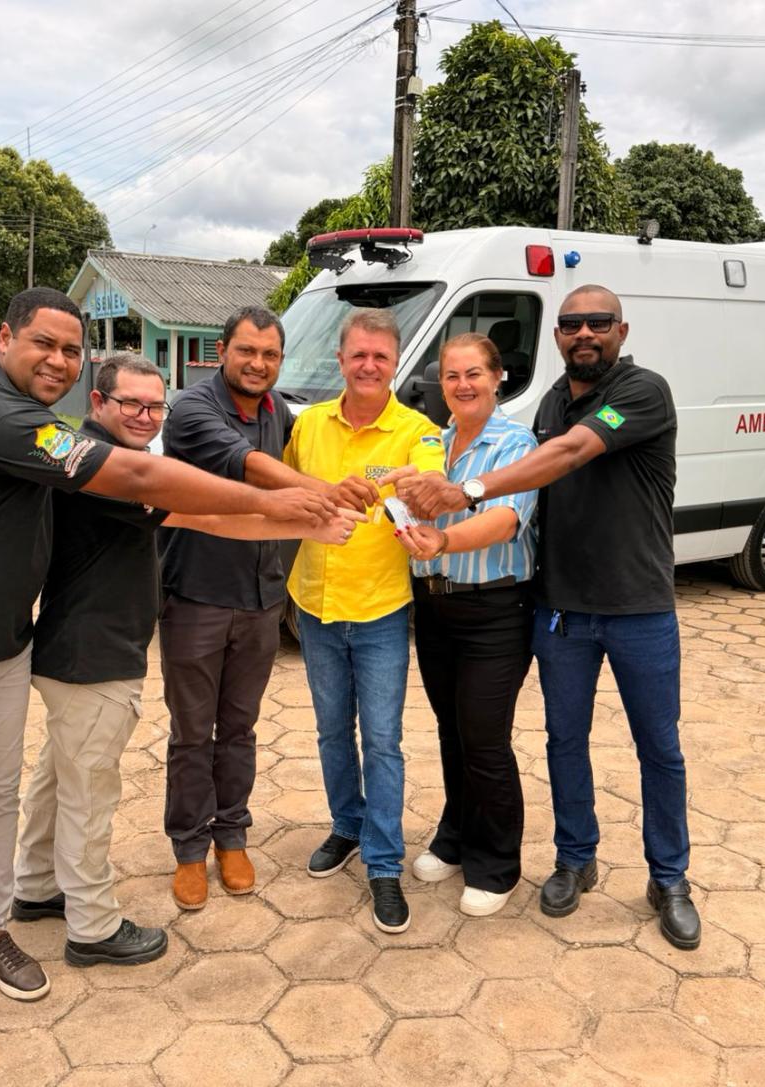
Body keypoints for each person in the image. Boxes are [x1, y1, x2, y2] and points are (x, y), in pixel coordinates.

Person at [0, 288, 337, 1046]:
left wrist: (295, 514)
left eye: (70, 349)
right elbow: (158, 488)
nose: (57, 359)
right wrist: (299, 504)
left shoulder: (48, 430)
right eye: (43, 344)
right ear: (3, 337)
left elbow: (180, 504)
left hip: (8, 644)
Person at [10, 353, 361, 962]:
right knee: (91, 789)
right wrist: (292, 512)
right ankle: (92, 925)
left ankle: (36, 886)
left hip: (86, 647)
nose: (146, 416)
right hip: (92, 654)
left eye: (154, 406)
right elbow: (203, 513)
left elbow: (205, 517)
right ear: (98, 403)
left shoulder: (113, 456)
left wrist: (297, 524)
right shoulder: (108, 467)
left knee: (58, 773)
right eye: (131, 404)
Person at [393, 285, 701, 950]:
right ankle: (574, 858)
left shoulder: (642, 392)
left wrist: (466, 491)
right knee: (564, 742)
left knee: (659, 748)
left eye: (597, 323)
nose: (583, 333)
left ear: (621, 328)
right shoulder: (554, 402)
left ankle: (669, 877)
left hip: (638, 606)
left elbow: (562, 459)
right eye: (570, 324)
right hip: (562, 607)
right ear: (556, 336)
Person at [284, 307, 446, 934]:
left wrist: (411, 485)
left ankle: (383, 862)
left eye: (381, 356)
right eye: (359, 355)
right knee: (331, 732)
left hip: (380, 610)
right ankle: (346, 826)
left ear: (395, 362)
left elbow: (431, 473)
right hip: (315, 605)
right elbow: (283, 488)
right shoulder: (310, 427)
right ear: (341, 359)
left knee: (381, 741)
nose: (369, 365)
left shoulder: (414, 429)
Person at [156, 306, 302, 910]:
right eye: (247, 351)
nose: (257, 364)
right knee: (193, 732)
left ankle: (232, 836)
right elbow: (248, 468)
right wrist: (311, 496)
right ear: (221, 352)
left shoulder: (281, 414)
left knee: (239, 728)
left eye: (269, 355)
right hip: (196, 597)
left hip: (262, 599)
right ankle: (189, 849)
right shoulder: (193, 409)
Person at [389, 333, 538, 918]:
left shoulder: (515, 442)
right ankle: (455, 834)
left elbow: (506, 520)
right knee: (451, 730)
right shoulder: (436, 442)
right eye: (451, 376)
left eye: (474, 373)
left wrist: (444, 537)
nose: (462, 385)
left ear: (497, 377)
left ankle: (498, 863)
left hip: (495, 612)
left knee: (483, 737)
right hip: (435, 606)